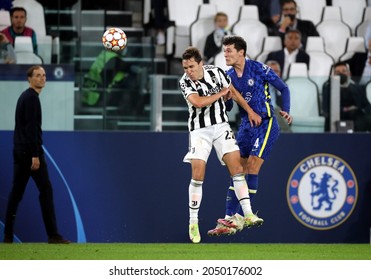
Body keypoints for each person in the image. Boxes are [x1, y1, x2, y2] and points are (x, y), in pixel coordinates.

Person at [207, 35, 292, 236]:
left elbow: (283, 87)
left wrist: (286, 108)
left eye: (229, 50)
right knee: (237, 170)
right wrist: (226, 99)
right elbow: (228, 107)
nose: (225, 54)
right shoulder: (228, 76)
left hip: (265, 122)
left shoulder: (258, 69)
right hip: (245, 125)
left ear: (241, 52)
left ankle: (246, 215)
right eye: (224, 50)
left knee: (253, 165)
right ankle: (228, 219)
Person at [179, 47, 264, 243]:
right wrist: (221, 93)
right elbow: (199, 103)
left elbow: (232, 92)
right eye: (185, 68)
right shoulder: (184, 82)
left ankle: (249, 214)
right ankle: (193, 222)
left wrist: (250, 111)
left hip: (221, 127)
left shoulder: (216, 72)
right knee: (198, 175)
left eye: (191, 67)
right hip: (199, 131)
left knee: (237, 170)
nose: (188, 71)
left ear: (201, 63)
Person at [3, 65, 70, 244]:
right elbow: (31, 128)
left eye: (44, 75)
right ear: (30, 79)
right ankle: (53, 234)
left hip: (20, 151)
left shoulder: (26, 97)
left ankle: (8, 235)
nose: (42, 78)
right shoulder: (32, 99)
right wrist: (35, 155)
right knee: (45, 190)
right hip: (29, 153)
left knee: (16, 193)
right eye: (38, 75)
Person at [322, 61, 371, 132]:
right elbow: (326, 109)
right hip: (337, 117)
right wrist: (347, 109)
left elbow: (367, 106)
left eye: (344, 71)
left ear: (349, 73)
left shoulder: (358, 88)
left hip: (357, 118)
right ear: (333, 75)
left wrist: (361, 110)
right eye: (337, 72)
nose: (341, 74)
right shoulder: (328, 88)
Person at [266, 60, 292, 132]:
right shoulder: (258, 86)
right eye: (271, 71)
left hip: (277, 119)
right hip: (262, 116)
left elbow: (285, 110)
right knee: (275, 110)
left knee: (278, 112)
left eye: (276, 71)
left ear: (280, 74)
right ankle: (287, 134)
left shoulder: (283, 89)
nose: (274, 73)